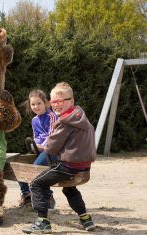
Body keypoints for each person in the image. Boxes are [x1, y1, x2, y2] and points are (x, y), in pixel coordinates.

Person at [22, 82, 96, 234]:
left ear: (71, 101)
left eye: (61, 101)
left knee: (36, 183)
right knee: (69, 189)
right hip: (84, 165)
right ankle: (85, 219)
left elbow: (51, 147)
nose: (56, 105)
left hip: (69, 166)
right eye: (54, 102)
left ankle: (42, 222)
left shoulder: (65, 122)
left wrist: (44, 145)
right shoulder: (80, 115)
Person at [18, 90, 58, 208]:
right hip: (40, 149)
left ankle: (47, 196)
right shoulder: (34, 120)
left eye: (39, 103)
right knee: (20, 165)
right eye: (33, 104)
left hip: (52, 149)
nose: (36, 106)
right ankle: (27, 195)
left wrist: (43, 146)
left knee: (35, 168)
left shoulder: (52, 116)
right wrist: (35, 145)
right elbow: (36, 136)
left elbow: (52, 135)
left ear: (45, 103)